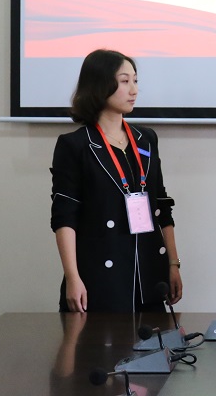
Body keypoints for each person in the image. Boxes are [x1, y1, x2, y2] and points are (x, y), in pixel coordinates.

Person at [50, 49, 183, 313]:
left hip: (148, 271)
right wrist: (73, 277)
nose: (134, 90)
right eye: (124, 81)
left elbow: (161, 205)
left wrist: (173, 263)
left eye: (135, 80)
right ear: (100, 85)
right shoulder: (75, 145)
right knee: (97, 339)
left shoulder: (146, 139)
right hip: (100, 274)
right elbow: (65, 217)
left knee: (154, 337)